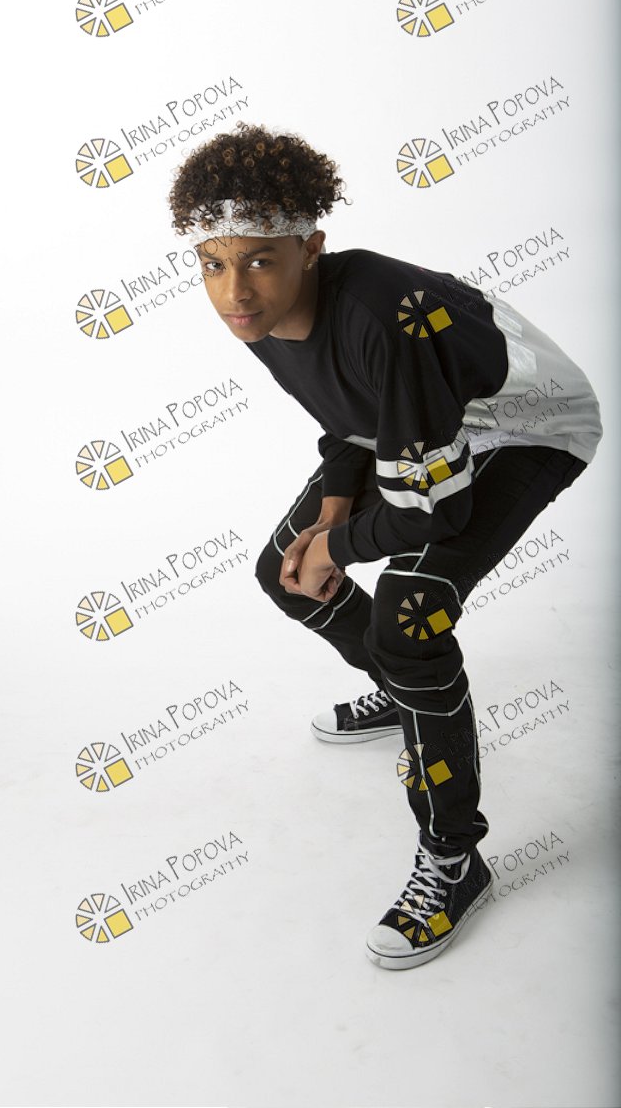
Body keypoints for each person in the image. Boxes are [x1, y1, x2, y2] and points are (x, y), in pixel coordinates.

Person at [167, 123, 602, 970]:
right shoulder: (260, 314)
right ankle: (408, 696)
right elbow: (350, 418)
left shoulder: (382, 318)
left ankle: (455, 858)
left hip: (524, 427)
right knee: (285, 574)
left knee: (410, 620)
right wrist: (335, 508)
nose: (233, 290)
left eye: (257, 260)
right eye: (212, 264)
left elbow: (435, 509)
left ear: (312, 248)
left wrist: (340, 544)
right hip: (426, 420)